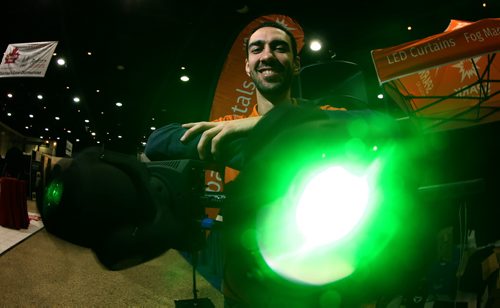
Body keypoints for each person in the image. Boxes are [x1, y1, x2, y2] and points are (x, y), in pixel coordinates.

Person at [145, 21, 399, 307]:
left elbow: (384, 124)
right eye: (257, 49)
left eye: (279, 48)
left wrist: (262, 125)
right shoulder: (227, 128)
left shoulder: (320, 115)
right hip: (247, 292)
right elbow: (157, 142)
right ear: (247, 66)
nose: (267, 55)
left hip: (326, 289)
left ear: (296, 64)